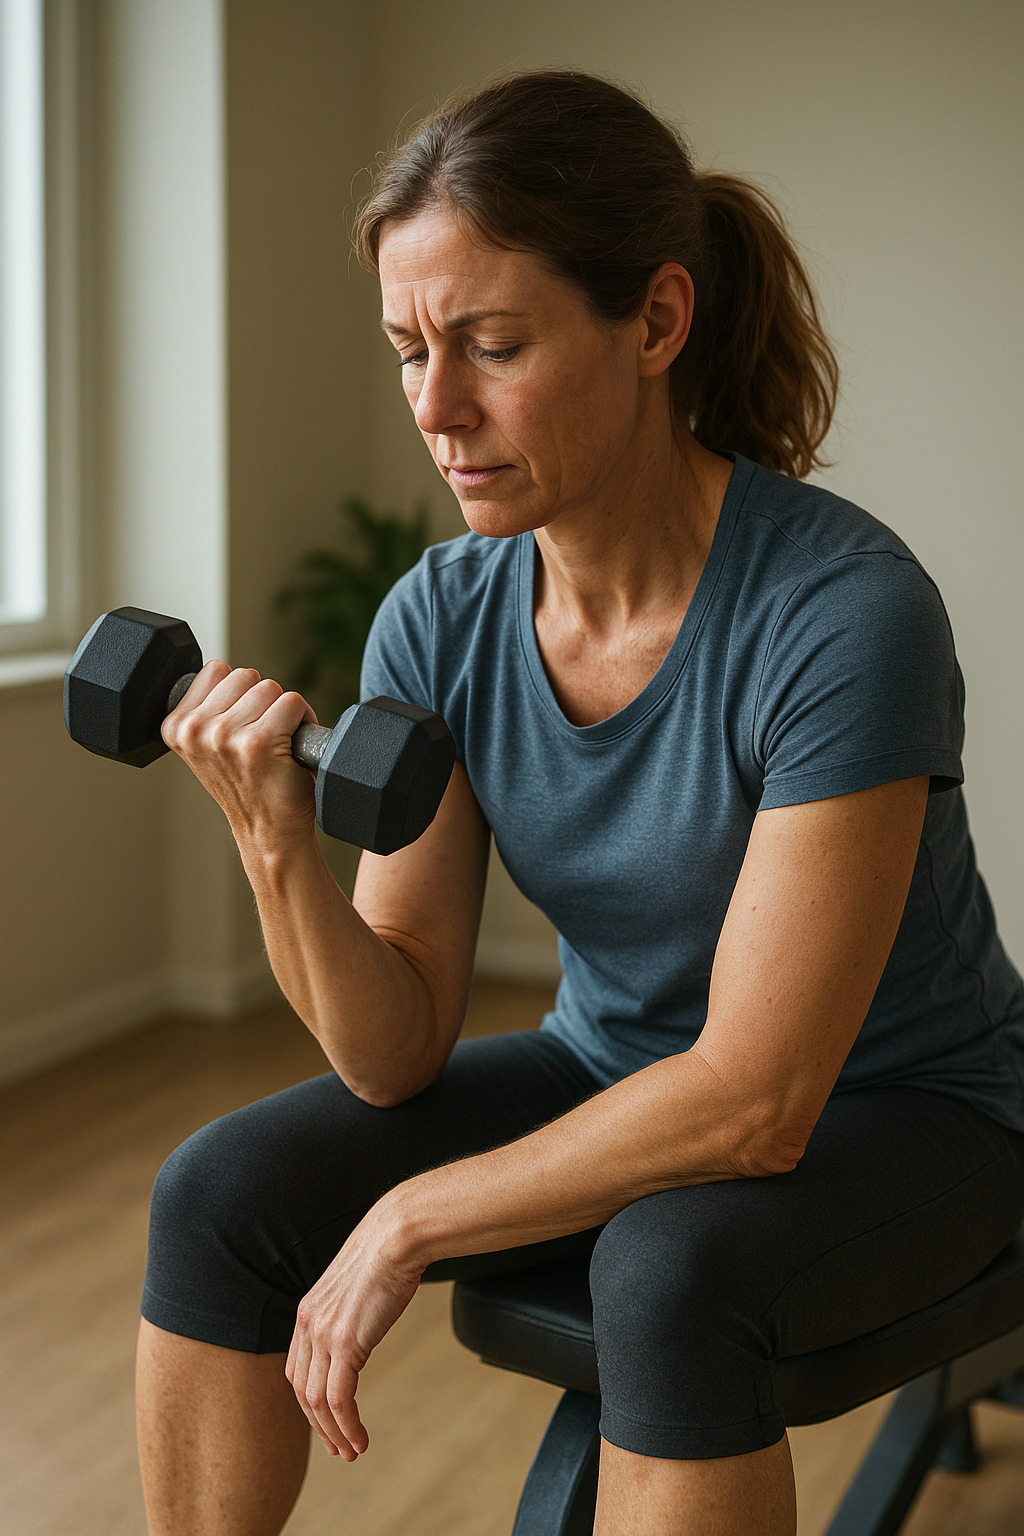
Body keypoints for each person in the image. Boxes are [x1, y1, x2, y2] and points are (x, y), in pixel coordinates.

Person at [136, 70, 1024, 1536]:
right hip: (612, 1066)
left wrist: (410, 1218)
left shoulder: (843, 613)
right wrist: (273, 840)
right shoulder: (440, 614)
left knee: (668, 1274)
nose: (438, 409)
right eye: (410, 351)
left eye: (493, 346)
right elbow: (393, 1049)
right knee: (218, 1194)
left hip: (911, 1112)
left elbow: (757, 1101)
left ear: (657, 323)